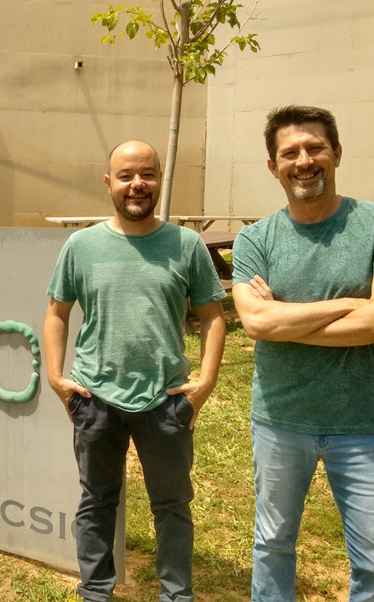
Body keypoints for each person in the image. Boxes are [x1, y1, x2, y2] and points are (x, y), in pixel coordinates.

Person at [232, 105, 374, 601]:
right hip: (279, 420)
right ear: (273, 166)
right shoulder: (255, 238)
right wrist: (346, 305)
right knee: (272, 545)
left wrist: (286, 321)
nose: (304, 160)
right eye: (289, 152)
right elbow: (256, 322)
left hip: (360, 421)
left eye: (315, 147)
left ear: (336, 153)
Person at [43, 139, 227, 602]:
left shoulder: (186, 245)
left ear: (160, 180)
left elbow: (212, 315)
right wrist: (55, 377)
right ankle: (96, 592)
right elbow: (56, 313)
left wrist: (204, 384)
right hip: (95, 398)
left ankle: (175, 596)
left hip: (166, 400)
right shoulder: (80, 246)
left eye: (147, 174)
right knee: (97, 502)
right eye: (126, 175)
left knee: (171, 506)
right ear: (109, 183)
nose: (137, 184)